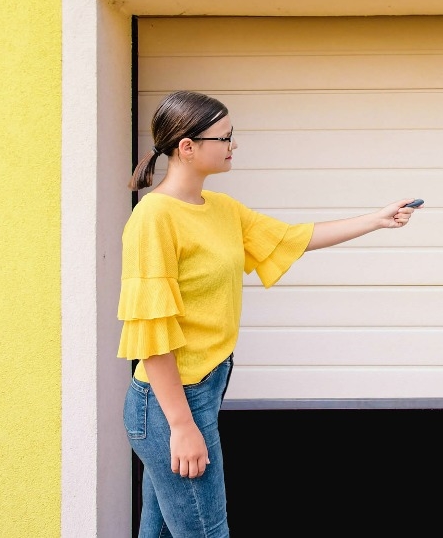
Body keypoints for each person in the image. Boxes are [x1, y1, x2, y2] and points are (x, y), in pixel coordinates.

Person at [117, 90, 421, 537]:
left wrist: (375, 219)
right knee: (207, 530)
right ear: (187, 147)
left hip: (201, 389)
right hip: (169, 405)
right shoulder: (154, 219)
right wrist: (181, 425)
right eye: (225, 137)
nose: (233, 145)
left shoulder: (220, 209)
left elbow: (291, 238)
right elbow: (151, 332)